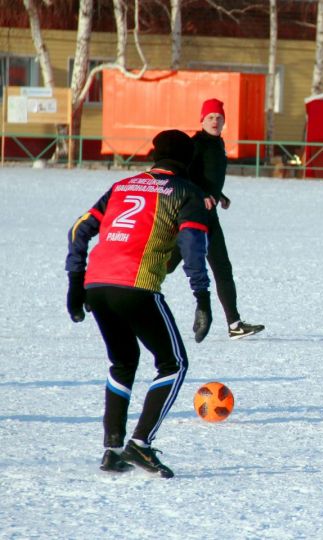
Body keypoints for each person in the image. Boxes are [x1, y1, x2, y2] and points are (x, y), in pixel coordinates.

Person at [66, 130, 213, 478]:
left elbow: (79, 229)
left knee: (122, 362)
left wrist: (75, 283)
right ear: (188, 160)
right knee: (174, 364)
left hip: (97, 286)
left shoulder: (122, 186)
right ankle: (140, 444)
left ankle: (112, 450)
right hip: (136, 286)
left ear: (154, 154)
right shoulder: (186, 191)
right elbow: (193, 246)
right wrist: (202, 297)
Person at [167, 98, 264, 339]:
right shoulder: (196, 144)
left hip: (209, 216)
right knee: (166, 264)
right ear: (201, 120)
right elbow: (184, 176)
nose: (215, 121)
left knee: (222, 268)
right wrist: (202, 195)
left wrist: (218, 194)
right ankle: (124, 293)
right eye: (210, 117)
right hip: (191, 217)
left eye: (219, 117)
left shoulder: (217, 144)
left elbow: (207, 175)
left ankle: (235, 324)